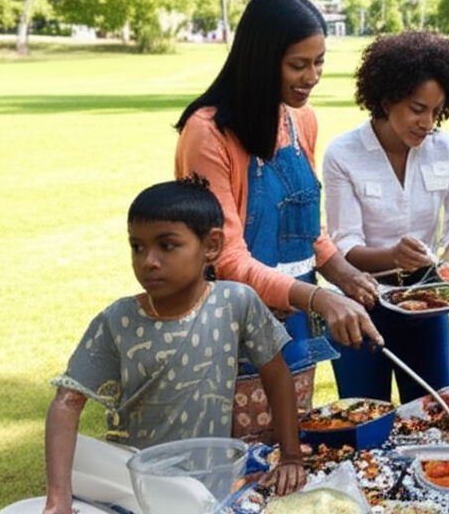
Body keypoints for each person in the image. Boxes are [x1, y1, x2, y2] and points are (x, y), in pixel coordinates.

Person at [175, 0, 382, 435]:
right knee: (247, 454)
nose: (312, 77)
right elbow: (225, 257)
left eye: (319, 62)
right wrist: (320, 298)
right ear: (262, 60)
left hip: (296, 325)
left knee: (291, 446)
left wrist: (347, 277)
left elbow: (306, 228)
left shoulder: (301, 119)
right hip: (232, 330)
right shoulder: (207, 133)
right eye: (298, 65)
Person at [43, 179, 306, 514]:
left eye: (166, 246)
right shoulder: (117, 321)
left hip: (210, 488)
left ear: (211, 245)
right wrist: (58, 499)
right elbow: (66, 403)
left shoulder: (235, 302)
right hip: (134, 490)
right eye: (137, 247)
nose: (148, 261)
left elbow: (276, 373)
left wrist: (291, 457)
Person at [322, 30, 449, 402]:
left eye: (436, 111)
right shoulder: (342, 154)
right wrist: (393, 256)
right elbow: (345, 245)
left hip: (427, 306)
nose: (427, 122)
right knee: (365, 415)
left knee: (435, 411)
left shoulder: (446, 149)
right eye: (417, 109)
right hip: (360, 308)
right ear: (387, 99)